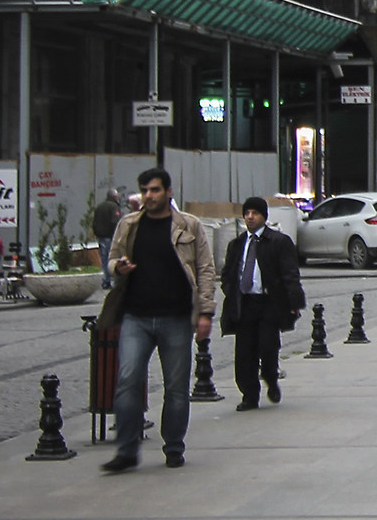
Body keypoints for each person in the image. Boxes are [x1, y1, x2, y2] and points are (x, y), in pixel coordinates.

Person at [101, 167, 217, 472]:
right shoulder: (129, 224)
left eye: (154, 190)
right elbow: (111, 260)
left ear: (168, 192)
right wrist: (118, 267)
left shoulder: (188, 226)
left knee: (176, 388)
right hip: (136, 317)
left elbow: (205, 269)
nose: (148, 196)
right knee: (127, 381)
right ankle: (126, 449)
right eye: (144, 190)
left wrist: (205, 313)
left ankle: (174, 446)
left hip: (176, 318)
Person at [220, 196, 303, 410]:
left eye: (254, 213)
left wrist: (293, 301)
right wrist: (231, 291)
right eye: (247, 213)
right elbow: (228, 273)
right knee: (244, 352)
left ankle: (271, 377)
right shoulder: (237, 244)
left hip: (268, 303)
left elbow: (290, 273)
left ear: (263, 217)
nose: (250, 217)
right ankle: (249, 395)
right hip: (245, 303)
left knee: (268, 347)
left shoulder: (278, 241)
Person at [91, 189, 123, 288]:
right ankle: (115, 281)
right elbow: (115, 222)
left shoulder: (100, 206)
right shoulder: (114, 206)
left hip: (101, 237)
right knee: (113, 258)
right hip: (110, 237)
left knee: (104, 259)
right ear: (115, 197)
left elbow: (94, 222)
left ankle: (106, 280)